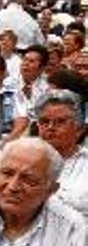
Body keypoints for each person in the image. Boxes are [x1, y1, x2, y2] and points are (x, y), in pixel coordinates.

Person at [35, 90, 87, 219]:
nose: (50, 127)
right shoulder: (24, 160)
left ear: (79, 129)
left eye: (60, 122)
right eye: (44, 122)